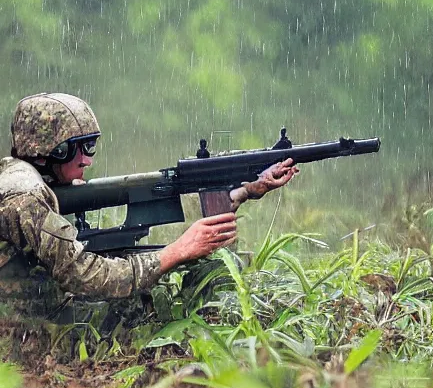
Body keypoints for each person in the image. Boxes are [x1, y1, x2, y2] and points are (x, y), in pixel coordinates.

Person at [0, 93, 298, 360]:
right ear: (52, 149)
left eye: (91, 147)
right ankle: (225, 353)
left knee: (144, 295)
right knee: (154, 300)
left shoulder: (22, 179)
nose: (87, 160)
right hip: (20, 338)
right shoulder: (24, 196)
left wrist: (246, 190)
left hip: (34, 314)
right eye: (79, 148)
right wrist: (175, 252)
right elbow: (84, 275)